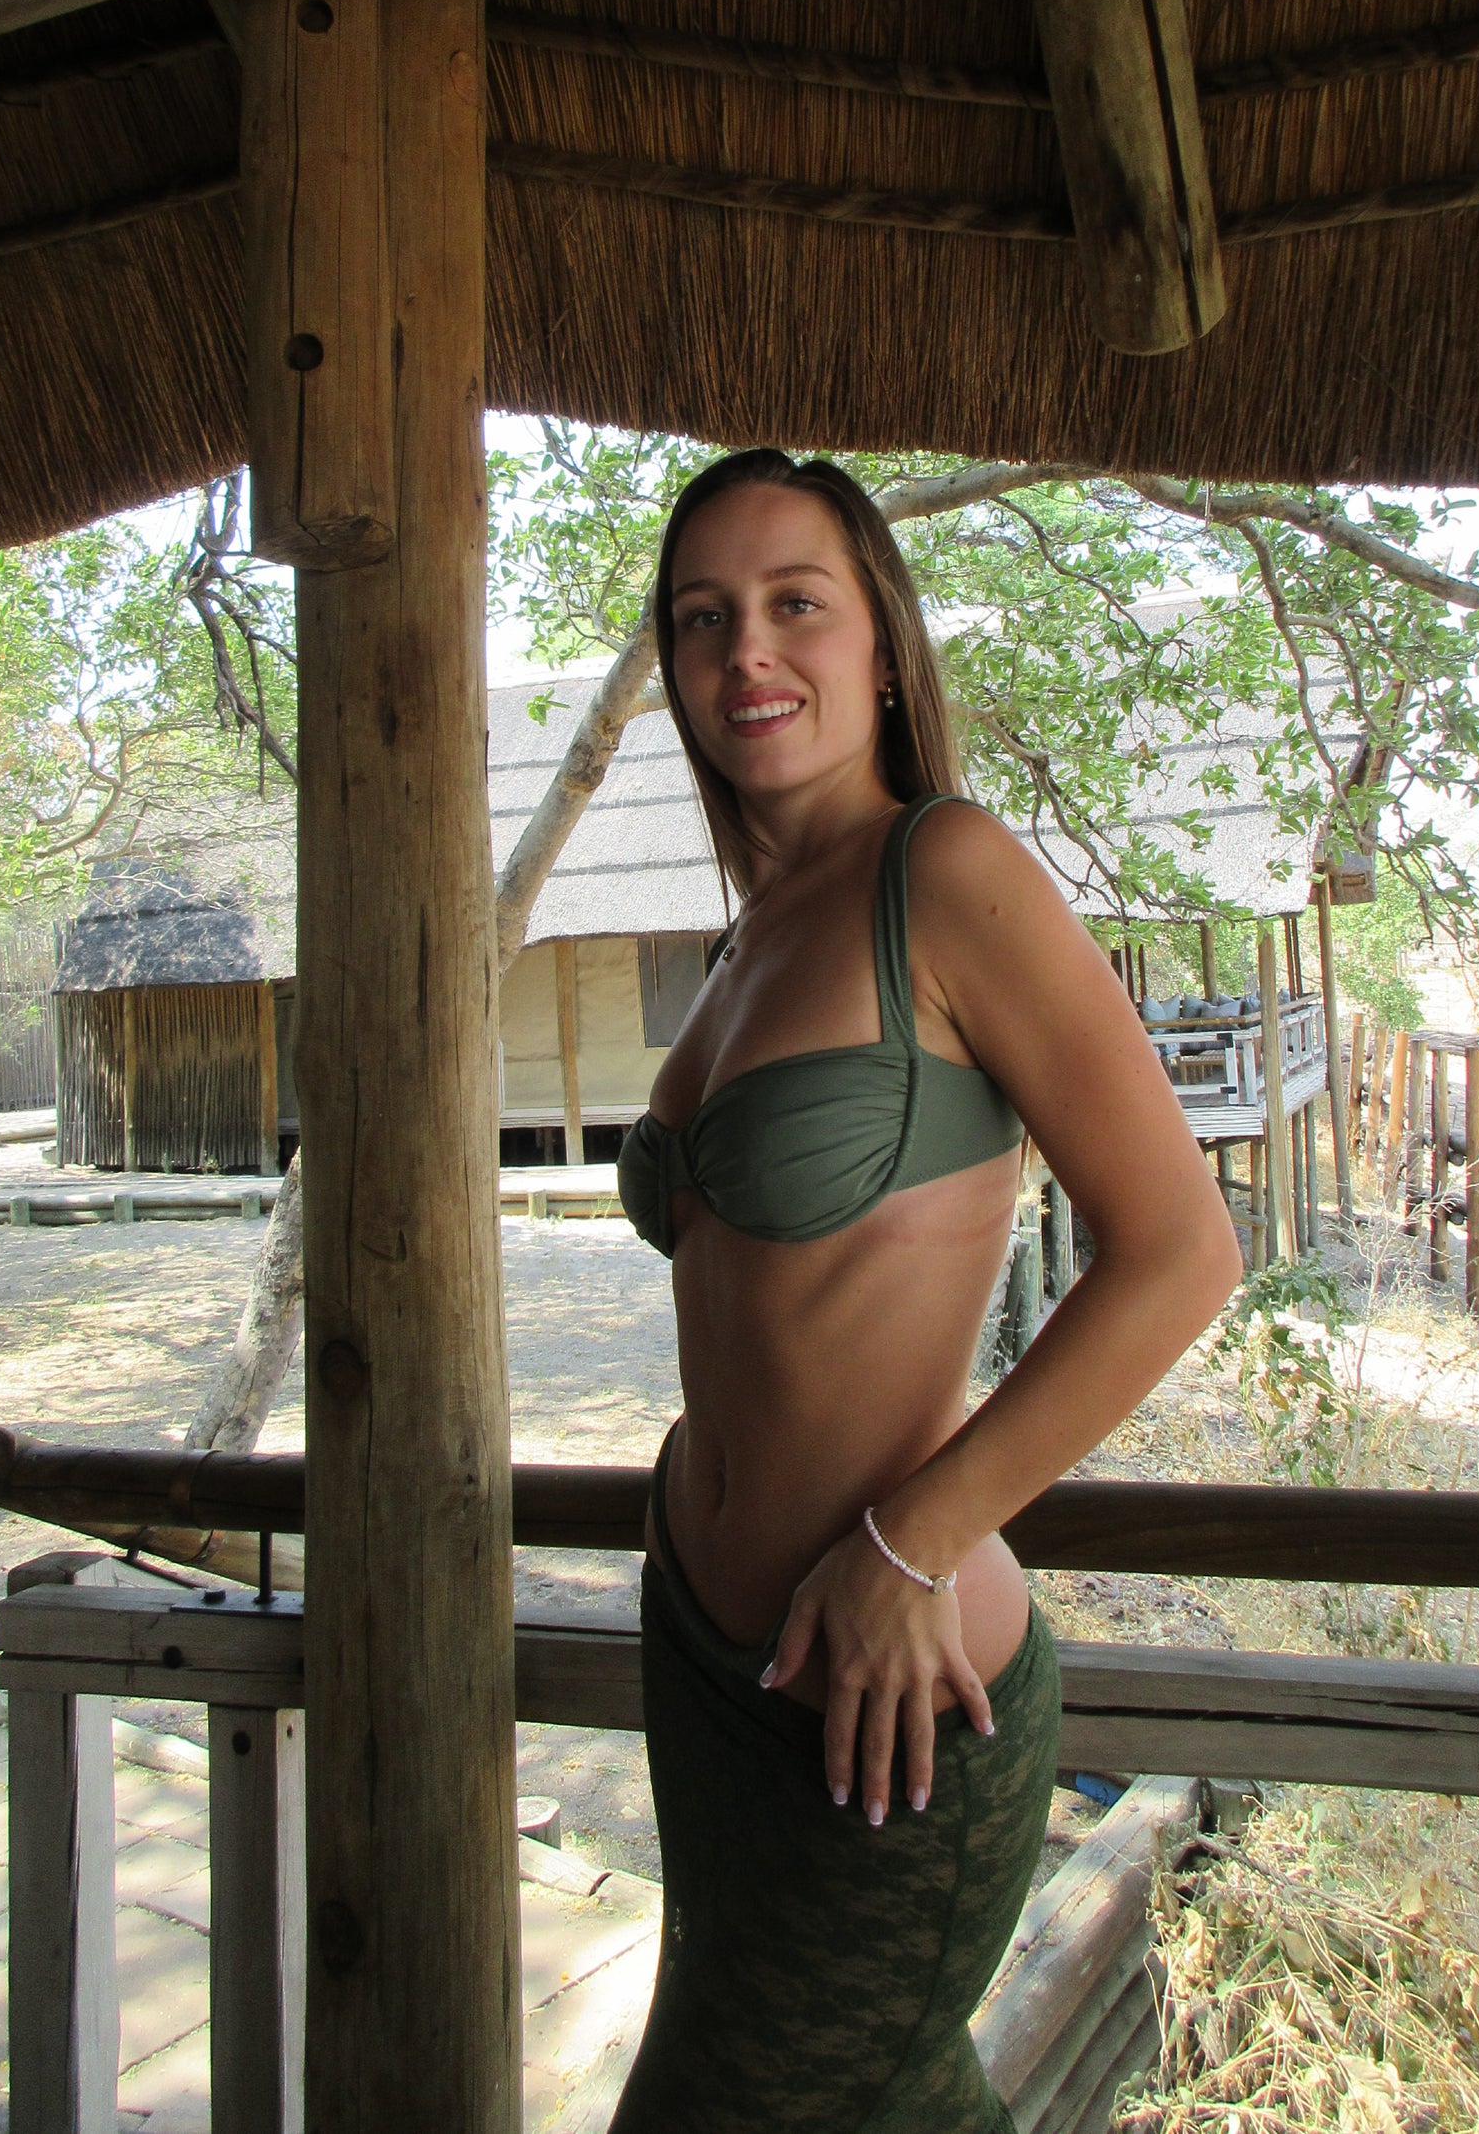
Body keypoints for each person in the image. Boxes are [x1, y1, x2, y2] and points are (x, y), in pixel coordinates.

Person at [610, 448, 1241, 2132]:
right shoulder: (752, 928)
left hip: (880, 1699)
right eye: (702, 618)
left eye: (794, 604)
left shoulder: (945, 871)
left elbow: (1183, 1253)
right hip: (707, 1664)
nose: (748, 651)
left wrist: (913, 1539)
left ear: (880, 644)